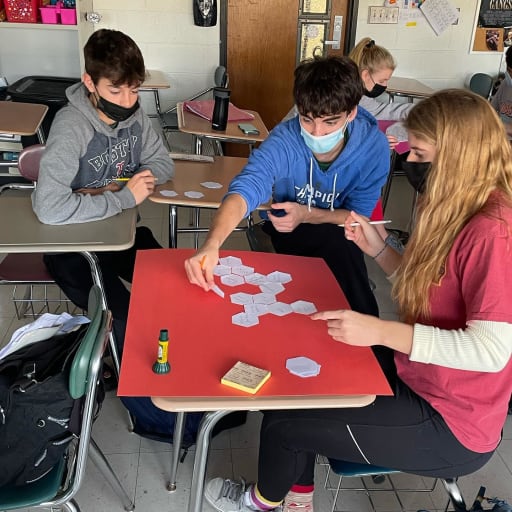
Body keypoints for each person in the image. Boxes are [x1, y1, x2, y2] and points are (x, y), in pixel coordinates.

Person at [202, 89, 512, 512]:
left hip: (452, 422)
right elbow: (432, 292)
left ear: (460, 157)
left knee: (284, 424)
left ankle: (260, 502)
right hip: (418, 376)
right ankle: (298, 497)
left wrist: (379, 331)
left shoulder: (492, 232)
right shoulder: (453, 206)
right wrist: (379, 250)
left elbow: (491, 350)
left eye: (420, 154)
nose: (410, 162)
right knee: (297, 379)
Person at [185, 55, 389, 316]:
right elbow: (245, 190)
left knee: (340, 249)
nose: (316, 133)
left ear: (352, 113)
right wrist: (212, 244)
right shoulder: (284, 139)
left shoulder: (373, 147)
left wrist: (307, 214)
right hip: (288, 229)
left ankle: (368, 333)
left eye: (330, 122)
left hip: (341, 235)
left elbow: (357, 218)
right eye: (307, 119)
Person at [32, 29, 175, 354]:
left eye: (134, 90)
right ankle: (127, 376)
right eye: (115, 90)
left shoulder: (135, 116)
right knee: (121, 316)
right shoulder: (71, 127)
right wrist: (124, 197)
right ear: (89, 82)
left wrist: (116, 187)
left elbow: (163, 164)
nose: (127, 101)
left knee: (172, 283)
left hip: (120, 234)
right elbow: (50, 207)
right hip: (72, 248)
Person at [492, 45, 512, 138]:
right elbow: (491, 109)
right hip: (500, 138)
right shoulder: (506, 84)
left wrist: (502, 127)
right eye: (509, 71)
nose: (511, 76)